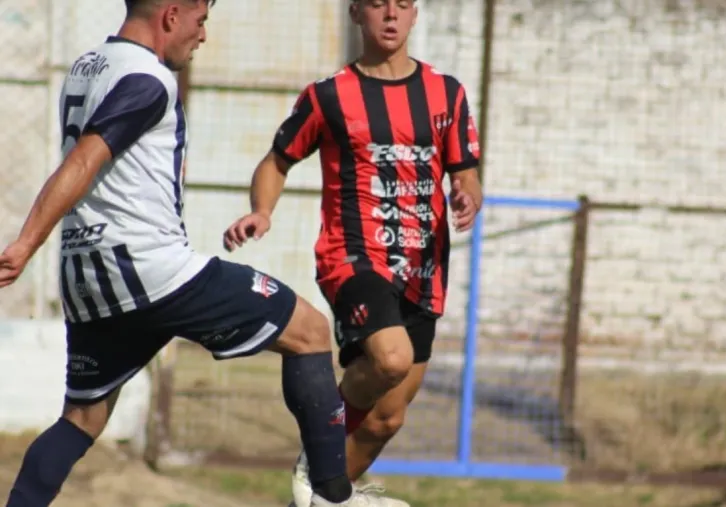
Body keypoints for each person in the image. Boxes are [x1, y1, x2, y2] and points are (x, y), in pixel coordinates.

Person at [0, 1, 390, 506]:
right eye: (200, 21)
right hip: (151, 269)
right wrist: (26, 242)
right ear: (170, 16)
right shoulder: (148, 79)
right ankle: (333, 497)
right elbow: (84, 160)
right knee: (310, 331)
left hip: (88, 274)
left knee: (81, 418)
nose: (202, 36)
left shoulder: (86, 66)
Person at [222, 0, 483, 504]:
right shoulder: (329, 96)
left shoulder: (446, 92)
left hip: (424, 270)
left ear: (415, 14)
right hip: (353, 258)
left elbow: (466, 172)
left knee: (387, 417)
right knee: (391, 360)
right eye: (378, 4)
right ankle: (320, 448)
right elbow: (277, 161)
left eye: (402, 4)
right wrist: (262, 211)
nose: (391, 15)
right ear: (356, 13)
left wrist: (467, 195)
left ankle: (324, 498)